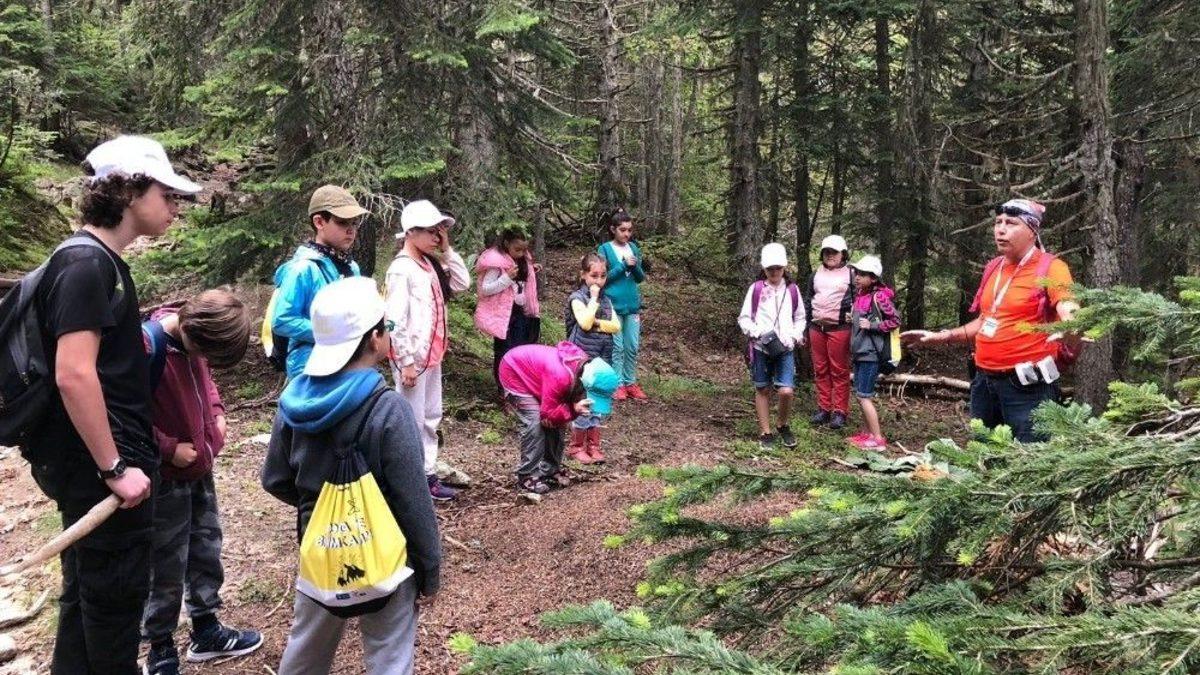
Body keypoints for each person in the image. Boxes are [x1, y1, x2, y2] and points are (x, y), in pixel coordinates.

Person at [25, 135, 198, 674]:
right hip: (101, 473)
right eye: (166, 194)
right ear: (128, 191)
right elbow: (74, 374)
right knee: (113, 610)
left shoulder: (97, 261)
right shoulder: (86, 265)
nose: (174, 207)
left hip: (96, 467)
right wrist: (115, 468)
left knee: (86, 599)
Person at [262, 277, 441, 675]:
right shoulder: (388, 408)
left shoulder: (293, 401)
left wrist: (322, 509)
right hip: (388, 554)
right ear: (375, 338)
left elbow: (274, 479)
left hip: (322, 548)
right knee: (390, 654)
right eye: (386, 327)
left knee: (307, 648)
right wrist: (429, 570)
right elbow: (413, 500)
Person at [140, 289, 261, 674]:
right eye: (204, 353)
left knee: (206, 547)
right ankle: (160, 646)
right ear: (194, 333)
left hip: (200, 471)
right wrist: (168, 449)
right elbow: (124, 415)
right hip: (166, 479)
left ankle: (206, 628)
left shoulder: (197, 343)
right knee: (165, 561)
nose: (204, 361)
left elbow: (207, 385)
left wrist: (218, 414)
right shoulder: (148, 347)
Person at [903, 198, 1079, 442]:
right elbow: (986, 320)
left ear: (1032, 230)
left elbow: (1069, 307)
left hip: (1028, 388)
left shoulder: (1052, 268)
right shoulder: (994, 267)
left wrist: (1071, 324)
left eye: (1011, 223)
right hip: (984, 383)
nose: (1001, 229)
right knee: (985, 455)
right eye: (998, 222)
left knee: (1029, 457)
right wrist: (942, 337)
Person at [385, 199, 471, 501]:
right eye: (431, 231)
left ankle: (427, 473)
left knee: (431, 415)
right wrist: (406, 361)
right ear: (411, 232)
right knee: (412, 418)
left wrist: (447, 250)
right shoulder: (401, 269)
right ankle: (409, 479)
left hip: (433, 355)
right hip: (413, 358)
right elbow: (394, 319)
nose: (437, 236)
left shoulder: (429, 264)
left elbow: (462, 283)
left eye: (439, 231)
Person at [270, 184, 367, 379]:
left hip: (347, 360)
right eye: (342, 222)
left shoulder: (352, 267)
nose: (351, 230)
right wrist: (331, 332)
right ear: (319, 221)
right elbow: (281, 320)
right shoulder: (302, 269)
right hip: (309, 366)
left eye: (354, 223)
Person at [498, 343, 619, 495]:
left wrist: (570, 410)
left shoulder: (583, 369)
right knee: (535, 424)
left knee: (558, 422)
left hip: (542, 377)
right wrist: (574, 409)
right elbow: (548, 415)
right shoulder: (560, 375)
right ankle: (527, 475)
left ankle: (550, 469)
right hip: (515, 371)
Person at [738, 243, 807, 451]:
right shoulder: (756, 289)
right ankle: (765, 431)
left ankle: (782, 424)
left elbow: (800, 317)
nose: (775, 272)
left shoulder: (792, 290)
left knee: (786, 391)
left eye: (778, 268)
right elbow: (744, 318)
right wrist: (756, 332)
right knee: (762, 388)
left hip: (785, 347)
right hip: (761, 347)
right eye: (770, 268)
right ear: (764, 268)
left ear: (784, 267)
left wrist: (794, 335)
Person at [564, 252, 620, 463]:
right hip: (582, 359)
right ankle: (576, 446)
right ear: (583, 275)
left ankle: (593, 446)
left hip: (602, 358)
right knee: (583, 400)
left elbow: (616, 326)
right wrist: (594, 299)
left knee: (599, 400)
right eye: (594, 275)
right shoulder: (577, 298)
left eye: (603, 276)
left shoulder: (607, 301)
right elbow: (585, 323)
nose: (598, 281)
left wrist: (597, 323)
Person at [473, 228, 542, 392]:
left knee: (521, 349)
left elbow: (522, 281)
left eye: (524, 250)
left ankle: (519, 386)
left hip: (521, 313)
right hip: (504, 316)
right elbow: (485, 289)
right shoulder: (496, 264)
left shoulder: (523, 260)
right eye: (517, 249)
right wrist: (506, 278)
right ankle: (504, 388)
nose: (521, 253)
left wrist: (531, 269)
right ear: (506, 244)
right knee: (505, 351)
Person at [846, 256, 900, 450]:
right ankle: (866, 434)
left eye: (862, 274)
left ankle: (877, 439)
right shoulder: (860, 295)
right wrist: (852, 319)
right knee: (860, 395)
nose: (857, 277)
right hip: (859, 352)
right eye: (857, 273)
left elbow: (895, 321)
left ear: (874, 278)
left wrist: (873, 325)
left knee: (864, 396)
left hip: (871, 354)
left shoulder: (880, 297)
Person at [804, 234, 855, 430]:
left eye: (834, 252)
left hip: (840, 328)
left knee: (839, 370)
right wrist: (806, 326)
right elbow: (808, 300)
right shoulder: (815, 274)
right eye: (826, 252)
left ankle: (840, 411)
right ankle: (824, 408)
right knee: (821, 369)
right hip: (817, 328)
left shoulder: (851, 274)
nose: (830, 255)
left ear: (843, 254)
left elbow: (859, 299)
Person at [596, 208, 648, 401]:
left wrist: (634, 267)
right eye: (622, 230)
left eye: (629, 230)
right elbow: (603, 278)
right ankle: (617, 383)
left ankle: (630, 382)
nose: (626, 234)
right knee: (616, 347)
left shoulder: (633, 248)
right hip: (612, 304)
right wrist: (623, 266)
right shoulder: (604, 249)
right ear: (613, 229)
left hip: (632, 305)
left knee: (632, 346)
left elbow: (640, 277)